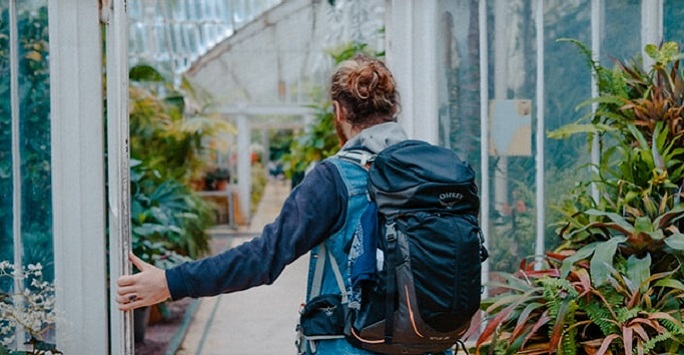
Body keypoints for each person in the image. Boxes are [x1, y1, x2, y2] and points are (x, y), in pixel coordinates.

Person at [116, 54, 452, 355]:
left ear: (338, 111)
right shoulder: (440, 172)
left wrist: (172, 282)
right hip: (433, 343)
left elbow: (264, 257)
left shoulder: (335, 178)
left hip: (354, 345)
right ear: (394, 109)